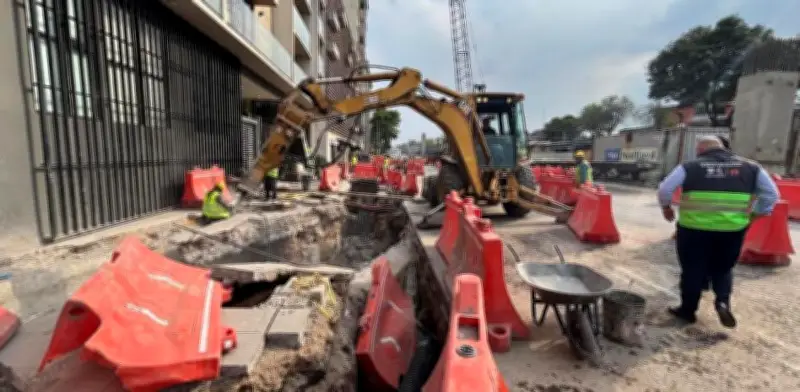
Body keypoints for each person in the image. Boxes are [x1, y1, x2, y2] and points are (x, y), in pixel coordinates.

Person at [657, 135, 779, 328]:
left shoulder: (690, 167)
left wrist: (666, 207)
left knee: (692, 269)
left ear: (701, 150)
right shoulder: (751, 167)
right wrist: (755, 215)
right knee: (723, 268)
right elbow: (772, 195)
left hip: (693, 229)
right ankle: (722, 302)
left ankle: (687, 311)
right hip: (731, 230)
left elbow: (665, 189)